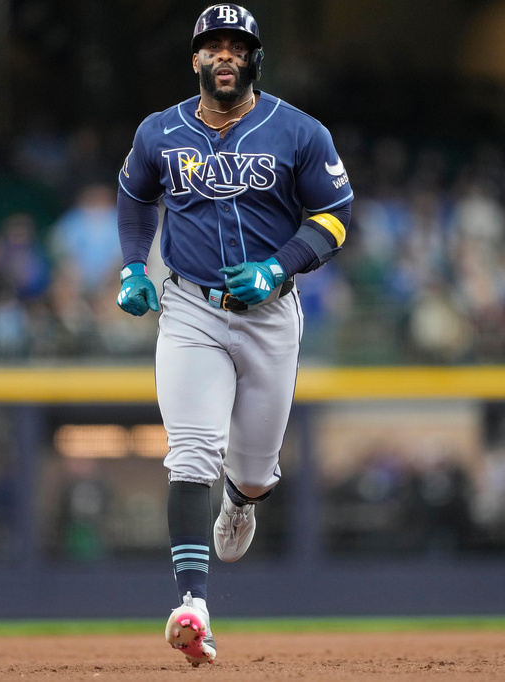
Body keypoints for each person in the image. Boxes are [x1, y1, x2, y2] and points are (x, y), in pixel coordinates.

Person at [114, 3, 353, 666]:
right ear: (195, 59)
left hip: (270, 313)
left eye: (236, 45)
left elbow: (335, 215)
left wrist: (280, 265)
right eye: (212, 45)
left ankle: (243, 501)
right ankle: (193, 605)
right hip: (191, 308)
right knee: (191, 454)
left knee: (250, 470)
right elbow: (133, 194)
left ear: (254, 58)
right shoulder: (160, 132)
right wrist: (135, 266)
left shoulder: (298, 131)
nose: (224, 55)